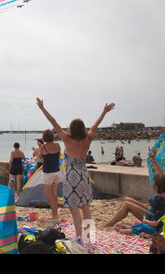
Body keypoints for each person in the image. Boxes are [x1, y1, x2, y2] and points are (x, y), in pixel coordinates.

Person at [36, 98, 115, 242]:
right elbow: (96, 125)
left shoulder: (67, 139)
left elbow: (54, 122)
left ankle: (79, 237)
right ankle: (88, 236)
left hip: (72, 176)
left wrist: (42, 108)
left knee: (74, 209)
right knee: (85, 208)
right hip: (84, 175)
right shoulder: (88, 139)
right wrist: (104, 112)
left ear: (72, 128)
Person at [103, 148, 165, 229]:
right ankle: (115, 218)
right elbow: (160, 173)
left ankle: (109, 224)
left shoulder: (162, 196)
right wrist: (153, 159)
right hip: (155, 212)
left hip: (155, 219)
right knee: (127, 199)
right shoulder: (163, 185)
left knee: (127, 205)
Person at [38, 129, 61, 219]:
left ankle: (54, 213)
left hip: (48, 172)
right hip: (57, 171)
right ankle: (55, 213)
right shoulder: (58, 145)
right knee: (54, 193)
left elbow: (40, 156)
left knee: (48, 194)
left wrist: (41, 148)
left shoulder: (44, 147)